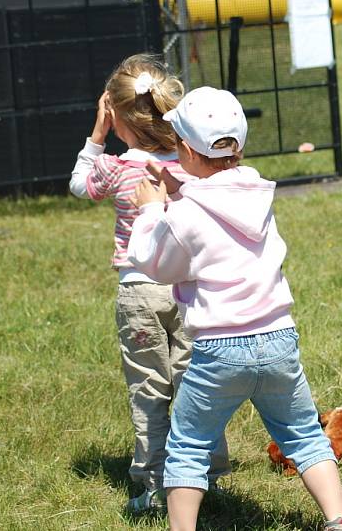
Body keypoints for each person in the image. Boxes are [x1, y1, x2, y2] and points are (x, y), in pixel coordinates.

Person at [127, 86, 342, 531]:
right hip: (279, 339)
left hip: (220, 349)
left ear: (184, 148)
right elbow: (217, 208)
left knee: (189, 444)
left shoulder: (184, 213)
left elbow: (155, 263)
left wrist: (151, 210)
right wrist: (184, 194)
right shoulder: (257, 194)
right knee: (302, 434)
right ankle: (340, 519)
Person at [69, 54, 231, 513]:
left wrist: (97, 136)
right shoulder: (192, 165)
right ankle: (206, 476)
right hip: (190, 289)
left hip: (138, 293)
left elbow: (80, 185)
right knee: (197, 383)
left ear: (117, 117)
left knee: (148, 390)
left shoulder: (117, 168)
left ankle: (156, 484)